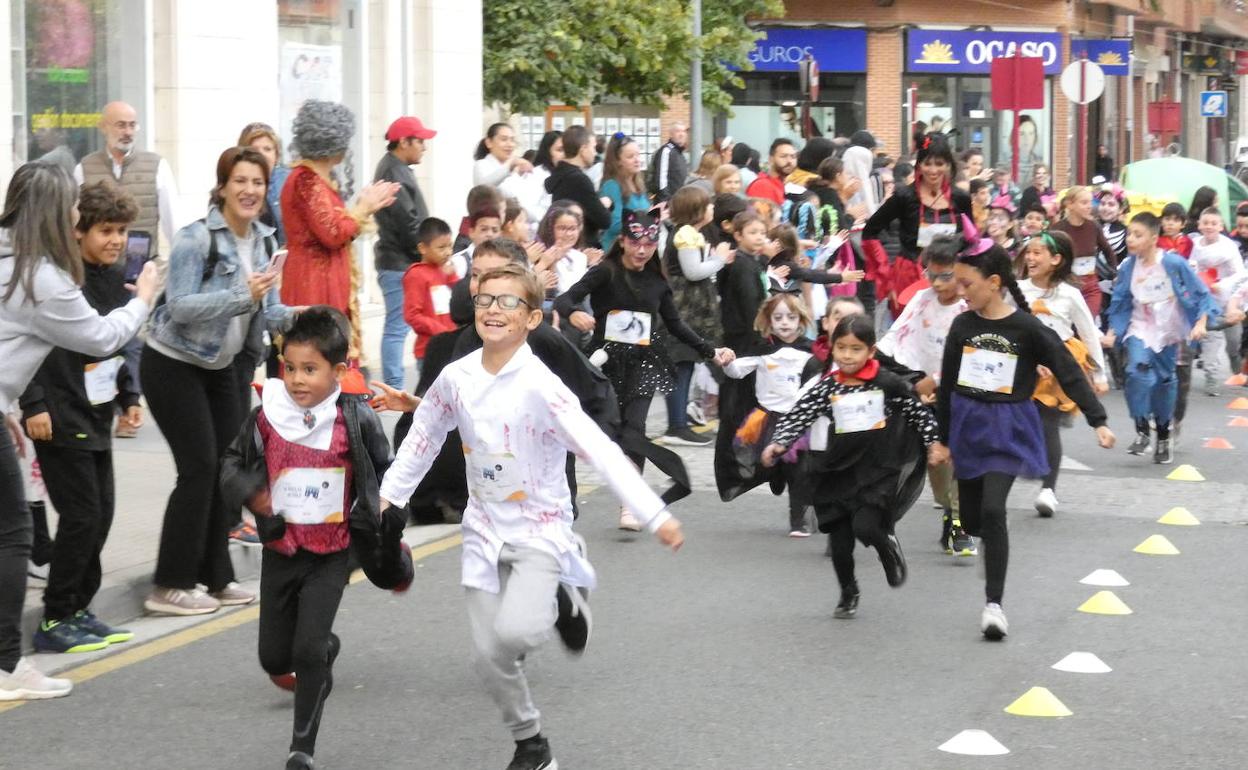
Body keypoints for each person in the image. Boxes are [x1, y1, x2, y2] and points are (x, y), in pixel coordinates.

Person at [378, 262, 685, 770]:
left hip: (540, 529)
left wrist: (653, 513)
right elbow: (424, 434)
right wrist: (391, 498)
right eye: (485, 299)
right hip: (483, 532)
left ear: (532, 318)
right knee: (487, 657)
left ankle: (567, 588)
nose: (494, 310)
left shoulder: (545, 387)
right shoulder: (457, 376)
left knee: (517, 634)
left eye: (508, 302)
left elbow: (600, 449)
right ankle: (531, 743)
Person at [220, 308, 410, 770]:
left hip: (333, 551)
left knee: (304, 651)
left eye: (311, 369)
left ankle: (301, 749)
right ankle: (323, 655)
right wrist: (254, 496)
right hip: (282, 548)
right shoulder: (266, 417)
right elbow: (230, 464)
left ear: (338, 371)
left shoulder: (355, 418)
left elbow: (385, 471)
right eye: (290, 368)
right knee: (275, 657)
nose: (298, 380)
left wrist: (385, 514)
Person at [0, 161, 158, 700]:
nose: (75, 218)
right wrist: (145, 298)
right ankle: (17, 655)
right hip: (58, 413)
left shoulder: (10, 259)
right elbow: (99, 337)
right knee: (16, 536)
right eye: (72, 209)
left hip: (35, 409)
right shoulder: (41, 277)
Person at [141, 146, 297, 615]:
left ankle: (215, 578)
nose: (249, 191)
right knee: (199, 469)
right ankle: (169, 584)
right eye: (240, 181)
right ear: (223, 187)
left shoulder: (266, 242)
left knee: (225, 473)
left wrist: (307, 316)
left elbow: (269, 313)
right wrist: (238, 295)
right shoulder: (196, 238)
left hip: (225, 367)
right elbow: (178, 307)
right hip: (174, 363)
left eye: (257, 182)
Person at [938, 241, 1113, 640]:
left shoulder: (1027, 327)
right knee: (972, 516)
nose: (961, 291)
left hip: (1007, 427)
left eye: (967, 283)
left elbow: (1067, 370)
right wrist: (942, 438)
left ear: (994, 282)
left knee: (994, 510)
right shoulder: (963, 325)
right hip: (967, 425)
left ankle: (993, 604)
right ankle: (987, 541)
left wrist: (1097, 420)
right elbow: (948, 384)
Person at [553, 210, 735, 529]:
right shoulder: (605, 272)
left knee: (635, 428)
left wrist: (711, 351)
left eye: (649, 244)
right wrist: (573, 314)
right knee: (590, 429)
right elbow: (566, 299)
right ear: (622, 241)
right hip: (603, 360)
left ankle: (630, 503)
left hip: (643, 361)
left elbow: (677, 324)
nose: (641, 250)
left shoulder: (657, 282)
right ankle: (558, 494)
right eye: (635, 243)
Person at [762, 314, 946, 617]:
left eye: (856, 349)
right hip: (837, 469)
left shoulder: (887, 382)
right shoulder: (828, 386)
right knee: (840, 542)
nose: (848, 355)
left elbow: (918, 413)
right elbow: (800, 414)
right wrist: (779, 442)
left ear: (871, 352)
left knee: (866, 525)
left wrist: (933, 443)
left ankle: (886, 545)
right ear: (833, 350)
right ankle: (848, 591)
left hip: (877, 467)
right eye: (842, 348)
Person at [75, 101, 184, 438]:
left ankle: (128, 405)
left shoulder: (156, 166)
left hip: (140, 268)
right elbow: (74, 218)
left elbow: (174, 223)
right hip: (93, 272)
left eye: (132, 124)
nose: (127, 131)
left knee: (131, 337)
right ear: (103, 127)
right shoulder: (84, 168)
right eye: (120, 124)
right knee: (102, 335)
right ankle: (106, 401)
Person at [875, 234, 973, 556]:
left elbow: (972, 352)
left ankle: (958, 523)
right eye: (931, 274)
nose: (938, 283)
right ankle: (948, 509)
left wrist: (937, 380)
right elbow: (895, 338)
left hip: (961, 390)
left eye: (946, 276)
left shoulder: (969, 307)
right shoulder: (921, 300)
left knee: (959, 456)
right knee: (935, 459)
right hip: (923, 391)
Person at [281, 100, 399, 359]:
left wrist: (363, 208)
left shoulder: (315, 179)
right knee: (318, 352)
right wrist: (364, 207)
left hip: (322, 276)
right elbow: (333, 233)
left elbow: (337, 230)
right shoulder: (306, 179)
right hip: (313, 281)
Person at [1017, 231, 1109, 517]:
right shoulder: (1016, 289)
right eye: (1028, 252)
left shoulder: (1069, 294)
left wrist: (1100, 374)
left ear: (1056, 259)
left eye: (1038, 253)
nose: (1031, 258)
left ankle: (1048, 490)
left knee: (1047, 423)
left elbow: (1089, 334)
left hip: (1058, 366)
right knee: (1021, 422)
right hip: (1022, 365)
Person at [722, 293, 817, 536]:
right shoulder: (763, 350)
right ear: (769, 321)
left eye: (791, 317)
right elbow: (737, 372)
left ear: (801, 320)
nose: (785, 322)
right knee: (766, 463)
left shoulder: (811, 352)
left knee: (799, 470)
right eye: (778, 317)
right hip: (767, 418)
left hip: (798, 420)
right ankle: (776, 475)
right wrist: (727, 361)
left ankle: (799, 521)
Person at [863, 134, 972, 330]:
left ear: (949, 165)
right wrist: (885, 275)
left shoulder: (960, 198)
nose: (933, 170)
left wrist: (957, 249)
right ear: (919, 165)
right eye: (927, 164)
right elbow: (870, 231)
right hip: (908, 276)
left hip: (951, 277)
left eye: (939, 164)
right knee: (908, 333)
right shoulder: (904, 196)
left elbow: (971, 237)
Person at [661, 186, 731, 446]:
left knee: (687, 362)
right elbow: (692, 272)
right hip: (685, 305)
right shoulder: (686, 234)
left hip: (691, 305)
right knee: (681, 361)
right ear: (697, 210)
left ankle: (679, 420)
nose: (713, 208)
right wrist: (720, 260)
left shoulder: (691, 233)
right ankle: (676, 425)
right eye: (708, 205)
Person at [373, 115, 437, 390]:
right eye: (420, 141)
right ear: (403, 142)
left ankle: (396, 383)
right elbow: (407, 223)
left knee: (401, 325)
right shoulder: (393, 171)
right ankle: (394, 385)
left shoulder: (397, 168)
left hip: (402, 259)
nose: (424, 147)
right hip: (398, 260)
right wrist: (426, 252)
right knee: (398, 326)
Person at [1189, 207, 1245, 396]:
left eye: (1214, 223)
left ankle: (1237, 367)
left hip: (1229, 301)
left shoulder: (1229, 246)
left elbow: (1240, 274)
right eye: (1205, 223)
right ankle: (1211, 377)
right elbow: (1189, 269)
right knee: (1210, 341)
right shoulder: (1195, 245)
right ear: (1199, 225)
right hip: (1208, 303)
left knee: (1233, 342)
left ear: (1221, 226)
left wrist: (1222, 283)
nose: (1209, 226)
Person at [403, 217, 459, 375]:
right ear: (423, 248)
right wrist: (441, 331)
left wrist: (453, 277)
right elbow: (412, 315)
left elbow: (459, 300)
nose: (448, 252)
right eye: (441, 248)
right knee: (431, 395)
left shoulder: (445, 270)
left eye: (450, 246)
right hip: (431, 348)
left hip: (452, 345)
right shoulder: (416, 274)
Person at [1050, 186, 1117, 317]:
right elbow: (1050, 257)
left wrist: (1114, 273)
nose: (1089, 206)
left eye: (1090, 202)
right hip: (1066, 285)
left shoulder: (1093, 226)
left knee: (1087, 324)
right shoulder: (1058, 229)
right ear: (1070, 204)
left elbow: (1108, 251)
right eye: (1084, 202)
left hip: (1091, 285)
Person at [545, 125, 611, 249]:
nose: (595, 153)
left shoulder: (559, 175)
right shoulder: (579, 180)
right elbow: (604, 220)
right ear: (583, 149)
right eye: (593, 147)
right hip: (582, 247)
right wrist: (606, 204)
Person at [238, 122, 291, 246]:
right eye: (254, 149)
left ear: (276, 156)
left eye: (267, 149)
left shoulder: (289, 181)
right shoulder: (231, 185)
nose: (262, 155)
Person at [598, 134, 649, 251]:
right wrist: (648, 218)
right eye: (631, 156)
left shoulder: (639, 184)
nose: (637, 160)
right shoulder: (612, 186)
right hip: (618, 252)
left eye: (638, 155)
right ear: (618, 161)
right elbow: (614, 226)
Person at [508, 130, 563, 223]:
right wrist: (551, 218)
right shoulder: (537, 174)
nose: (564, 155)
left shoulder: (563, 174)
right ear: (548, 152)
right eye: (559, 150)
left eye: (568, 150)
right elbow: (526, 206)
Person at [473, 122, 534, 186]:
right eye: (504, 139)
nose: (510, 144)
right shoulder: (481, 164)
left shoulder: (516, 167)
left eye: (512, 140)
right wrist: (510, 166)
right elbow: (483, 187)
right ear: (489, 142)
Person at [451, 206, 503, 280]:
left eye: (495, 230)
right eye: (484, 229)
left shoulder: (504, 260)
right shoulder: (460, 261)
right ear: (471, 232)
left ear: (500, 234)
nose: (490, 234)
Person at [746, 139, 797, 204]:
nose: (789, 161)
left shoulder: (792, 185)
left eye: (793, 156)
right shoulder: (762, 186)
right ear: (771, 159)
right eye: (783, 156)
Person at [648, 122, 688, 203]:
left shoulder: (680, 154)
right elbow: (661, 179)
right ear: (671, 134)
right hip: (668, 203)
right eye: (678, 131)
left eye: (683, 131)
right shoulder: (666, 151)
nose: (681, 134)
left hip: (679, 202)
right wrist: (666, 201)